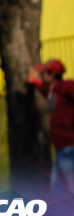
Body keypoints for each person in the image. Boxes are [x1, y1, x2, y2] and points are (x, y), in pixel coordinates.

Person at [28, 58, 74, 194]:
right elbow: (45, 91)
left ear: (53, 75)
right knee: (55, 191)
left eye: (45, 73)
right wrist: (35, 82)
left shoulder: (66, 87)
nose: (43, 76)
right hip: (61, 150)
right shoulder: (53, 90)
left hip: (69, 148)